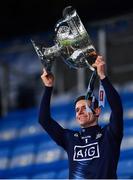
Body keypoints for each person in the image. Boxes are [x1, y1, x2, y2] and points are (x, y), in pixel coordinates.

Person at [39, 55, 123, 179]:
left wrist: (103, 77)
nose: (80, 112)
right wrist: (48, 87)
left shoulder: (109, 135)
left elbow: (117, 109)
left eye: (85, 108)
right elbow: (44, 120)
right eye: (77, 110)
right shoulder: (70, 139)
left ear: (97, 111)